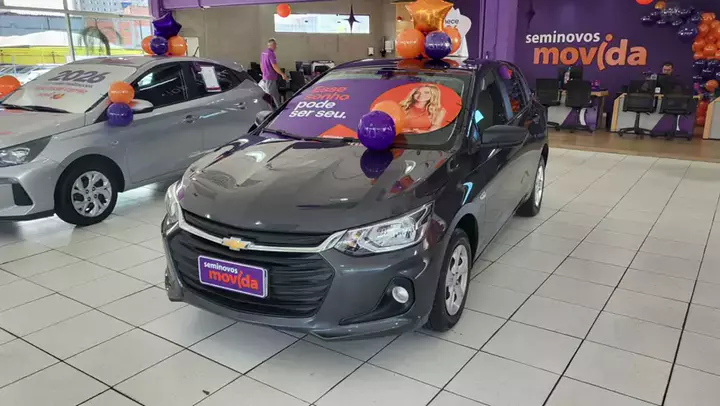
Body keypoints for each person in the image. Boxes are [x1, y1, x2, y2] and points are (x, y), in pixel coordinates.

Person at [259, 38, 287, 107]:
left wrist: (264, 72)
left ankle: (276, 107)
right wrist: (282, 74)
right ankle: (278, 109)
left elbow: (261, 64)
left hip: (265, 76)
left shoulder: (263, 53)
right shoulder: (271, 53)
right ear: (273, 45)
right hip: (270, 77)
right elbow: (274, 66)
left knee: (273, 94)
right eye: (275, 45)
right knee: (273, 95)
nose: (276, 47)